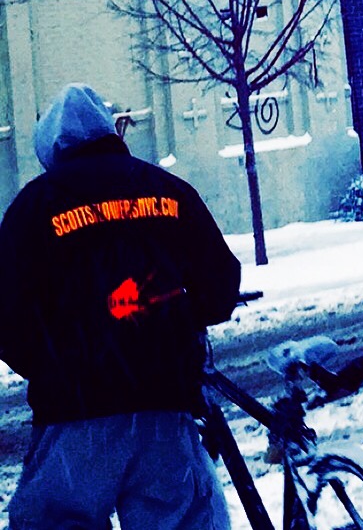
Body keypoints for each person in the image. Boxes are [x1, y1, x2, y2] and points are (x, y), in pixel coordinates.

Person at [0, 83, 242, 529]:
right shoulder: (168, 191)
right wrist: (174, 325)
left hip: (74, 419)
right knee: (177, 518)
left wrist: (53, 364)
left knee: (56, 520)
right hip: (163, 409)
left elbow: (5, 314)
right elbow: (221, 283)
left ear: (53, 147)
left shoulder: (34, 208)